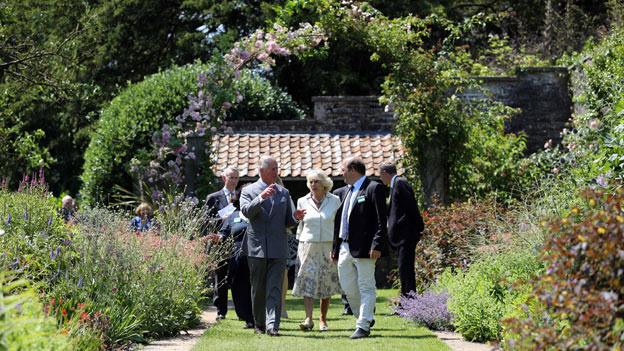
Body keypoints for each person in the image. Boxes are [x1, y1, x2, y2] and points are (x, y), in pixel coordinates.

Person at [240, 155, 304, 336]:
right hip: (256, 248)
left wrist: (296, 218)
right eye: (273, 169)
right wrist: (260, 198)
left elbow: (287, 222)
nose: (277, 172)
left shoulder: (284, 192)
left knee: (275, 287)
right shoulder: (249, 191)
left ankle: (272, 326)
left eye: (277, 168)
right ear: (262, 171)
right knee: (258, 289)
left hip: (278, 248)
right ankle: (259, 323)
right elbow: (246, 212)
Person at [332, 157, 388, 339]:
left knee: (366, 286)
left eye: (344, 169)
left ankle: (363, 325)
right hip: (344, 246)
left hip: (366, 248)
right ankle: (364, 316)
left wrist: (377, 244)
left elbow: (381, 220)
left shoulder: (374, 188)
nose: (341, 173)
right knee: (347, 286)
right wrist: (335, 246)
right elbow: (338, 222)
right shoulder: (343, 192)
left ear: (353, 170)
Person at [293, 169, 342, 332]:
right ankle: (308, 318)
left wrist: (338, 245)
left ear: (324, 184)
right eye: (311, 182)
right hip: (308, 244)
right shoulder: (302, 201)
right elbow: (298, 224)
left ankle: (323, 319)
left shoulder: (335, 200)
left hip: (328, 245)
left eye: (316, 181)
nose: (313, 184)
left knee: (325, 281)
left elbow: (340, 224)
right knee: (308, 279)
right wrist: (296, 218)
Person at [210, 185, 254, 329]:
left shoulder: (260, 213)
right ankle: (246, 316)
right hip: (238, 259)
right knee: (238, 288)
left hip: (257, 257)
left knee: (256, 288)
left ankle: (257, 317)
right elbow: (224, 233)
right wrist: (218, 237)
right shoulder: (232, 215)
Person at [378, 162, 424, 297]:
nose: (381, 179)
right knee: (403, 268)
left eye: (380, 175)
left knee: (406, 269)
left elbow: (411, 206)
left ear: (385, 173)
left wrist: (419, 227)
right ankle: (407, 301)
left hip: (406, 235)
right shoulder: (394, 185)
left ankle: (408, 302)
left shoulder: (400, 183)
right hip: (401, 236)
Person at [205, 167, 240, 320]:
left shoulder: (242, 196)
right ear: (223, 178)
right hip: (219, 242)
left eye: (236, 178)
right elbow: (206, 221)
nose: (233, 180)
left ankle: (242, 311)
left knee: (238, 276)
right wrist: (226, 213)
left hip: (238, 241)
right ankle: (221, 310)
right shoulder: (213, 197)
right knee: (220, 277)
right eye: (230, 177)